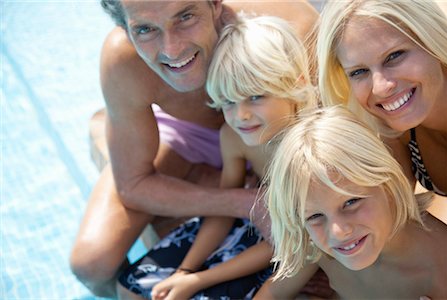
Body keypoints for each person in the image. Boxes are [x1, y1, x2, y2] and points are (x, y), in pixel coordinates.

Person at [69, 0, 319, 297]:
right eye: (146, 29)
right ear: (125, 29)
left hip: (278, 139)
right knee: (91, 263)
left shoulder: (289, 27)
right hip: (187, 136)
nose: (172, 50)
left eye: (185, 16)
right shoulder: (123, 59)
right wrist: (244, 202)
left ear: (214, 3)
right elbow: (133, 184)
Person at [254, 105, 447, 299]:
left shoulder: (443, 270)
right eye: (314, 215)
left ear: (388, 185)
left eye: (351, 202)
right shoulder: (318, 246)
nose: (338, 231)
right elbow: (273, 293)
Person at [315, 0, 447, 198]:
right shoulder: (393, 126)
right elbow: (392, 216)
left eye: (394, 56)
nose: (380, 88)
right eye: (359, 72)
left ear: (431, 37)